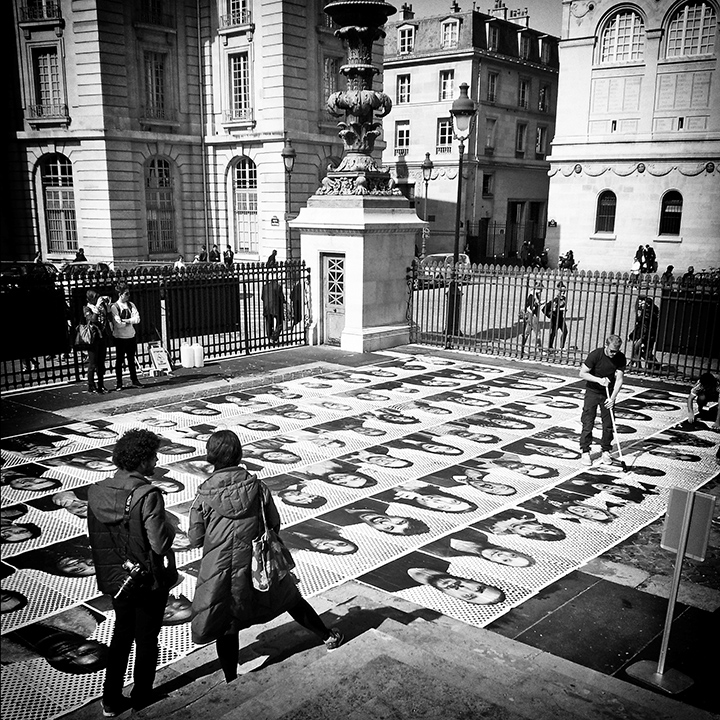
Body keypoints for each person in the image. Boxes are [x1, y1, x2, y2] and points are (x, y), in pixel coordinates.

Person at [188, 430, 343, 685]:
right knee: (291, 599)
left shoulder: (203, 496)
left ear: (211, 457)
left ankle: (231, 681)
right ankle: (328, 636)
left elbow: (195, 539)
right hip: (259, 563)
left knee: (227, 622)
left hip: (221, 570)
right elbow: (274, 523)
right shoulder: (258, 487)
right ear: (238, 454)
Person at [87, 429, 178, 716]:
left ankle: (111, 699)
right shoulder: (147, 495)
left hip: (118, 578)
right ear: (141, 461)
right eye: (152, 456)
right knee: (147, 637)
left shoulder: (96, 490)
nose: (156, 460)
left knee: (121, 634)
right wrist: (170, 524)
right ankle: (141, 695)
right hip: (146, 579)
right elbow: (160, 543)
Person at [578, 334, 626, 467]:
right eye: (611, 351)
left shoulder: (620, 358)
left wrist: (613, 397)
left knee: (608, 423)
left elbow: (620, 379)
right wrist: (599, 380)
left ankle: (606, 450)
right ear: (606, 346)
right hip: (593, 391)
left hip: (608, 393)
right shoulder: (596, 355)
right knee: (588, 421)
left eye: (616, 351)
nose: (613, 354)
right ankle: (585, 450)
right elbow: (582, 373)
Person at [407, 568, 505, 605]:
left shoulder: (403, 592)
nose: (462, 588)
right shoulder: (443, 557)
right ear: (475, 581)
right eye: (478, 588)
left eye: (468, 596)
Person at [110, 282, 143, 390]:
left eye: (129, 293)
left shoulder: (131, 305)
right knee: (119, 361)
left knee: (131, 360)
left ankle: (134, 380)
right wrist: (130, 321)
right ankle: (119, 382)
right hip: (120, 337)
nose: (129, 296)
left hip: (131, 336)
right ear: (120, 294)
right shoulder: (115, 307)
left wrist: (127, 321)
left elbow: (137, 319)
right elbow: (118, 324)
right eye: (126, 294)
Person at [83, 290, 112, 394]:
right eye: (95, 297)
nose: (97, 299)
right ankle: (91, 385)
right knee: (92, 363)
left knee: (101, 363)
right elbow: (93, 320)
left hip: (102, 337)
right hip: (93, 339)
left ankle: (101, 384)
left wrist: (107, 307)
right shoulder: (87, 308)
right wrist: (97, 308)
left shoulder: (101, 307)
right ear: (90, 299)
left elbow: (108, 317)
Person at [628, 296, 659, 368]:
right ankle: (640, 365)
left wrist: (642, 339)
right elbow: (639, 326)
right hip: (645, 336)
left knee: (641, 351)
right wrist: (632, 335)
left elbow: (645, 327)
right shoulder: (646, 312)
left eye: (642, 302)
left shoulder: (647, 314)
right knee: (641, 351)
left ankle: (652, 366)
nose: (640, 304)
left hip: (645, 336)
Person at [543, 283, 567, 350]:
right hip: (555, 318)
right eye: (562, 291)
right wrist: (561, 309)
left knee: (565, 331)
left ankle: (561, 347)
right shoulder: (556, 299)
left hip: (561, 318)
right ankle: (550, 347)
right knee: (553, 333)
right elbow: (554, 309)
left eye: (564, 291)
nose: (563, 293)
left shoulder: (564, 299)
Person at [521, 281, 543, 349]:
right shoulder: (532, 296)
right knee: (538, 333)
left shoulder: (535, 295)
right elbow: (532, 307)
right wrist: (539, 304)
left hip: (531, 315)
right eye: (540, 289)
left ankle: (522, 348)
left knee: (527, 332)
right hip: (532, 315)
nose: (541, 291)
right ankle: (539, 349)